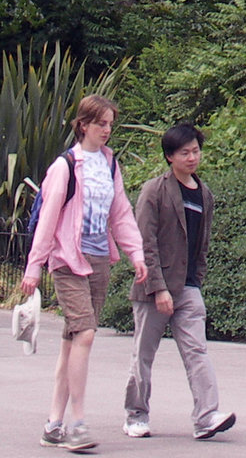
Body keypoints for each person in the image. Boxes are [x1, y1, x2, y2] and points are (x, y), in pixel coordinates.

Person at [21, 94, 149, 453]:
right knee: (86, 334)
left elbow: (120, 213)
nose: (106, 130)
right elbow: (47, 220)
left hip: (97, 261)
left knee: (72, 340)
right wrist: (34, 267)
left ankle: (53, 423)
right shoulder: (65, 166)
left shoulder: (109, 165)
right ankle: (77, 423)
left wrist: (135, 252)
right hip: (67, 260)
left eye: (110, 124)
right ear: (83, 125)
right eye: (100, 123)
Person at [123, 123, 235, 441]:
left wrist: (195, 282)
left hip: (187, 288)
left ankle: (206, 417)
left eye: (196, 151)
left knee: (197, 351)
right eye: (184, 152)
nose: (192, 157)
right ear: (170, 156)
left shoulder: (204, 194)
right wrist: (158, 288)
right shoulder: (154, 191)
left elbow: (203, 243)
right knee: (143, 355)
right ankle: (136, 415)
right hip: (154, 288)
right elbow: (145, 243)